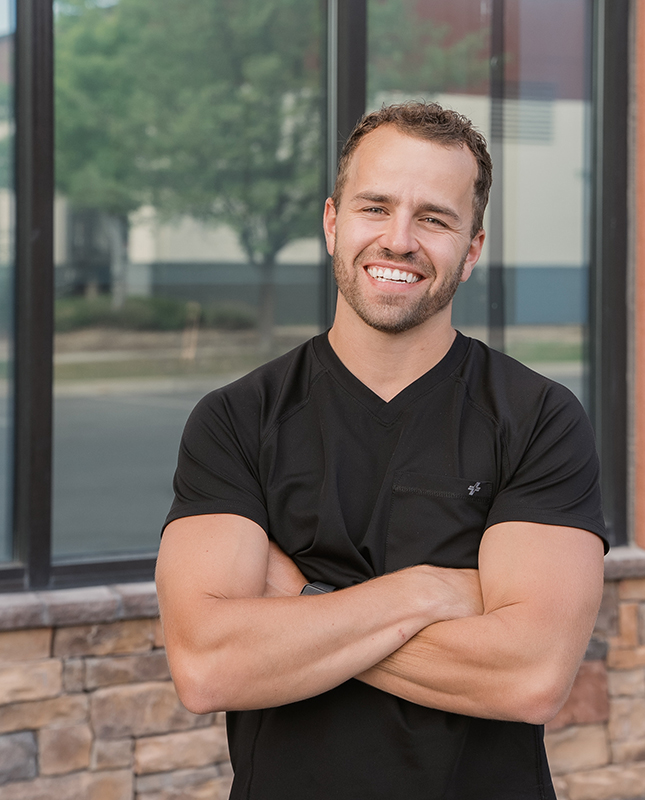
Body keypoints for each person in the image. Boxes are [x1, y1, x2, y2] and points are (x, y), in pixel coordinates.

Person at [156, 101, 607, 800]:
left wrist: (301, 600)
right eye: (375, 207)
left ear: (473, 250)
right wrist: (429, 591)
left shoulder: (537, 419)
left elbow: (530, 675)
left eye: (434, 218)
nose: (398, 240)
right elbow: (208, 666)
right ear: (334, 222)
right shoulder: (239, 420)